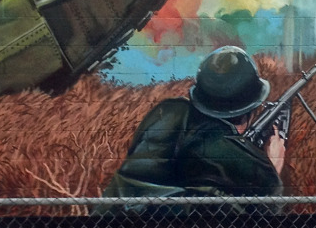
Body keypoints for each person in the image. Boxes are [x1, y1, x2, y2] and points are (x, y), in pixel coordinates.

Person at [101, 45, 284, 204]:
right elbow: (264, 206)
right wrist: (272, 167)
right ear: (248, 111)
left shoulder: (167, 113)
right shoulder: (247, 166)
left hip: (111, 218)